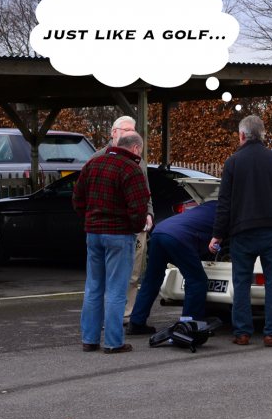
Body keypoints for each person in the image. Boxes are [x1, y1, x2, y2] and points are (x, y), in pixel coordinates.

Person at [209, 115, 272, 347]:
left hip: (242, 233)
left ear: (242, 135)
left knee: (241, 283)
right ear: (262, 134)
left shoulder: (232, 162)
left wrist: (217, 234)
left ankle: (242, 333)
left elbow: (224, 204)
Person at [73, 132, 151, 354]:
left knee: (93, 287)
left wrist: (89, 218)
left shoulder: (93, 164)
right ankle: (114, 342)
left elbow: (77, 199)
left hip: (93, 233)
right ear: (136, 149)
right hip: (119, 234)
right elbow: (139, 208)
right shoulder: (131, 169)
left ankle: (89, 339)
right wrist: (136, 228)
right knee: (117, 290)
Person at [91, 116, 154, 323]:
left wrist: (148, 214)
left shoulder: (139, 160)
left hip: (134, 225)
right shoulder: (98, 158)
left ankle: (126, 314)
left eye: (133, 130)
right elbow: (84, 194)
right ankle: (108, 321)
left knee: (134, 274)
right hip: (113, 228)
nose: (130, 133)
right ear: (114, 132)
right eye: (126, 129)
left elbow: (145, 192)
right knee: (105, 278)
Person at [126, 200, 217, 335]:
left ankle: (136, 322)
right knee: (196, 281)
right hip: (179, 237)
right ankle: (189, 326)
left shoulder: (210, 204)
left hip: (159, 232)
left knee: (151, 280)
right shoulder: (228, 212)